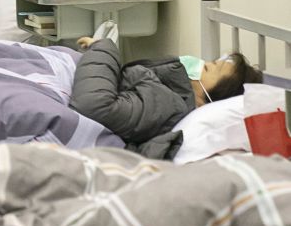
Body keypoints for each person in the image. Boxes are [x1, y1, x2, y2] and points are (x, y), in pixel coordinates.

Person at [72, 25, 263, 159]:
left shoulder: (167, 104)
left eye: (207, 68)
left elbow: (95, 105)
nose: (200, 62)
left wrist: (103, 49)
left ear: (205, 100)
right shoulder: (168, 89)